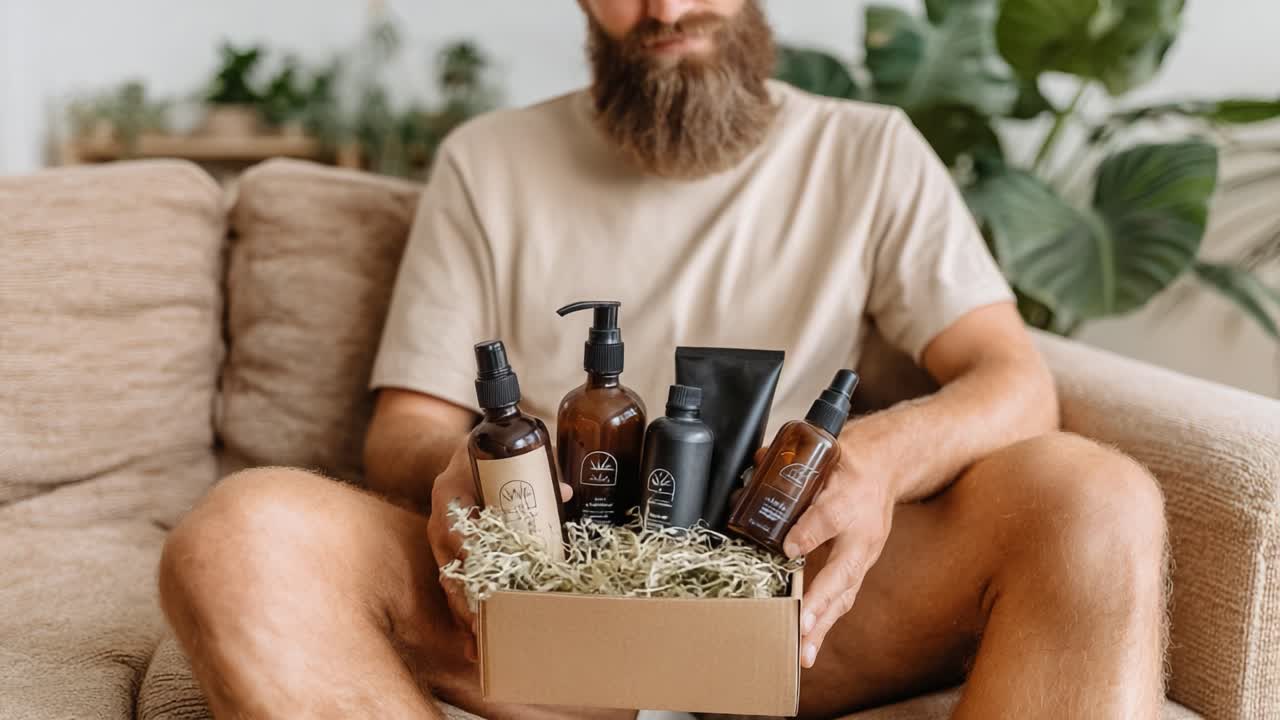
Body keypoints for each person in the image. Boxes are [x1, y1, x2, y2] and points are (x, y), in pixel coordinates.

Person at [158, 1, 1169, 718]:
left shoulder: (868, 151)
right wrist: (463, 471)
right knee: (236, 538)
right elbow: (407, 425)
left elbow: (1012, 380)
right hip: (531, 614)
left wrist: (876, 461)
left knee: (1098, 498)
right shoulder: (486, 161)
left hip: (797, 616)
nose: (666, 9)